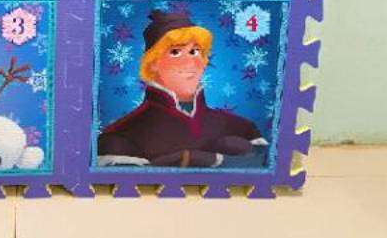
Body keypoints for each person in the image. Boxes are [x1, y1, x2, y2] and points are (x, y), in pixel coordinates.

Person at [97, 10, 268, 168]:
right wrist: (190, 158)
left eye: (194, 52)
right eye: (175, 52)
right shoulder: (121, 136)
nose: (190, 62)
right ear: (153, 63)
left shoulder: (241, 127)